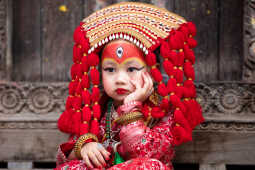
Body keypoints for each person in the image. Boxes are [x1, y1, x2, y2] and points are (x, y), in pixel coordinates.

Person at [55, 2, 204, 170]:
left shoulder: (164, 111)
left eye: (131, 69)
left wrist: (131, 107)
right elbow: (64, 159)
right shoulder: (96, 109)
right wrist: (83, 148)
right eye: (110, 69)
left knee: (152, 166)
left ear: (152, 70)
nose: (119, 79)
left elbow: (146, 153)